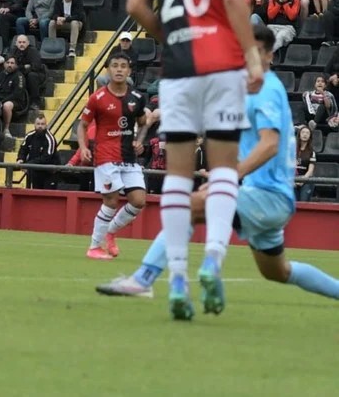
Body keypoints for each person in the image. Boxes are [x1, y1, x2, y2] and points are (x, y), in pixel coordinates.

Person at [97, 26, 339, 305]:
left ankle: (142, 280)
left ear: (270, 56)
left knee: (187, 209)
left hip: (266, 195)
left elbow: (269, 144)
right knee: (278, 271)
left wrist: (230, 177)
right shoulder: (250, 89)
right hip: (271, 199)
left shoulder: (266, 89)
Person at [126, 0, 264, 320]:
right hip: (221, 65)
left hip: (178, 72)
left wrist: (168, 37)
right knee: (223, 170)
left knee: (178, 179)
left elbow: (133, 4)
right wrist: (251, 57)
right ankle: (213, 261)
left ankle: (177, 282)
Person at [78, 52, 150, 260]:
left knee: (138, 200)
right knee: (111, 200)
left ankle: (110, 232)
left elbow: (144, 123)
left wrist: (140, 141)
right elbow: (82, 126)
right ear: (108, 70)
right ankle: (94, 247)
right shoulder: (97, 98)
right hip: (105, 156)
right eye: (115, 66)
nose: (119, 69)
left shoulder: (136, 98)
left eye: (123, 66)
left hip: (128, 158)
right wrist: (83, 147)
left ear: (129, 71)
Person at [16, 113, 58, 189]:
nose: (40, 126)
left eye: (42, 124)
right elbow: (23, 149)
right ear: (34, 124)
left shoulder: (50, 139)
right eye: (38, 124)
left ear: (46, 125)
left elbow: (46, 158)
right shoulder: (29, 136)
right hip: (34, 172)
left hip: (48, 173)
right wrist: (20, 159)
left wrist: (28, 164)